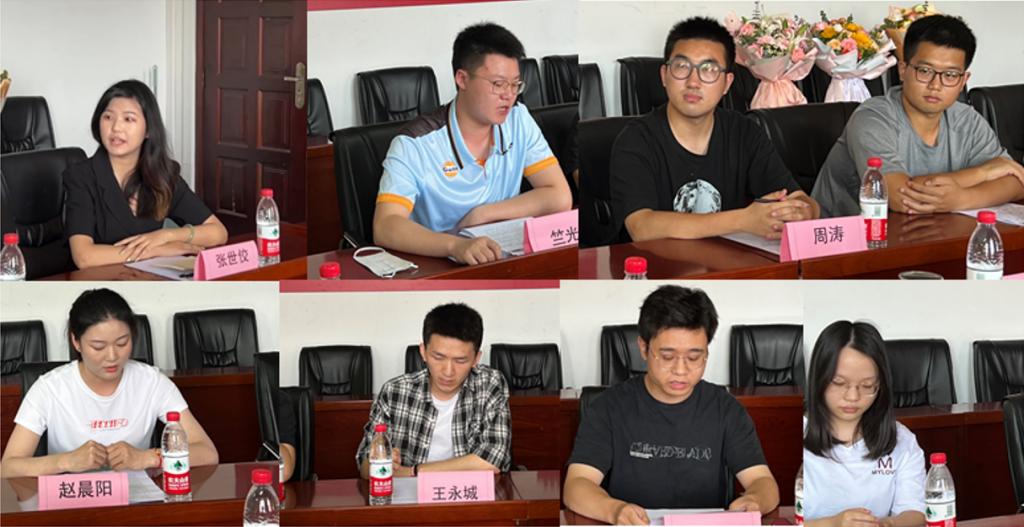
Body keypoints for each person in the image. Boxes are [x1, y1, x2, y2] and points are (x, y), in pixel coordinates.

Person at [563, 285, 780, 524]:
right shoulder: (607, 408)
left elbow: (762, 481)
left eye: (694, 357)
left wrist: (755, 500)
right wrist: (614, 510)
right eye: (667, 356)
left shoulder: (726, 409)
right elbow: (577, 485)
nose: (680, 370)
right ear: (644, 348)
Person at [373, 23, 572, 265]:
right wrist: (455, 245)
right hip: (438, 266)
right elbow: (385, 225)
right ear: (462, 79)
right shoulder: (415, 144)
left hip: (501, 259)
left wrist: (484, 214)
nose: (509, 95)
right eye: (498, 84)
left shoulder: (518, 120)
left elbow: (559, 196)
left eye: (515, 84)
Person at [609, 17, 818, 243]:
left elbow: (801, 200)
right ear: (664, 75)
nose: (693, 82)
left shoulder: (744, 132)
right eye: (682, 67)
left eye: (709, 69)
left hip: (729, 263)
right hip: (656, 264)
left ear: (727, 83)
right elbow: (641, 226)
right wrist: (743, 220)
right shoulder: (636, 139)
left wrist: (802, 211)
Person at [812, 15, 1024, 217]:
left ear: (963, 81)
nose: (936, 85)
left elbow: (1015, 182)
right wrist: (983, 173)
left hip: (926, 234)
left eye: (950, 75)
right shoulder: (872, 118)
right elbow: (899, 197)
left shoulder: (966, 119)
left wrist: (961, 199)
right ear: (903, 70)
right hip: (847, 237)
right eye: (925, 71)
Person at [0, 288, 219, 478]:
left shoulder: (152, 382)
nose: (112, 356)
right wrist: (65, 461)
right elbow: (8, 467)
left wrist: (147, 458)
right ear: (76, 341)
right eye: (98, 346)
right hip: (72, 501)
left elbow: (207, 453)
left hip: (135, 500)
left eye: (122, 343)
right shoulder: (50, 388)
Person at [64, 80, 228, 270]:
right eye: (108, 117)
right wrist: (155, 250)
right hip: (97, 280)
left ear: (148, 130)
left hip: (145, 279)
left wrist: (166, 236)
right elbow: (84, 257)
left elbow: (218, 232)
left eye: (128, 119)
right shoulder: (81, 176)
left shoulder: (163, 174)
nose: (116, 127)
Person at [355, 303, 511, 476]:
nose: (448, 371)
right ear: (423, 351)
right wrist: (380, 463)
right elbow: (364, 466)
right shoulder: (394, 392)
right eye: (438, 357)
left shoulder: (489, 385)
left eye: (460, 360)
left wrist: (413, 472)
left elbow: (491, 461)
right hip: (410, 492)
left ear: (476, 358)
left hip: (466, 492)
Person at [803, 321, 925, 527]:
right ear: (819, 379)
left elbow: (914, 511)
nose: (853, 397)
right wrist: (833, 524)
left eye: (867, 386)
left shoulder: (901, 439)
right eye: (839, 383)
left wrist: (886, 525)